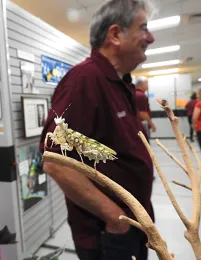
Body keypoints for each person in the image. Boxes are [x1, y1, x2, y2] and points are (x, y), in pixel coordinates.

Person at [39, 1, 155, 259]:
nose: (151, 37)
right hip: (109, 234)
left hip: (133, 223)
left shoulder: (120, 83)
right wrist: (115, 218)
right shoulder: (85, 80)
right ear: (115, 34)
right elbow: (55, 162)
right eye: (143, 28)